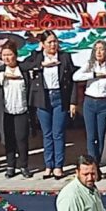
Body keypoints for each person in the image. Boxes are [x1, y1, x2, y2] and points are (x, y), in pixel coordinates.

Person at [21, 30, 78, 180]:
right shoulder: (37, 57)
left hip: (60, 97)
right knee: (47, 134)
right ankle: (48, 165)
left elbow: (72, 80)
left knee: (58, 133)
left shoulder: (64, 57)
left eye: (55, 41)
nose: (53, 45)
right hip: (43, 98)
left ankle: (58, 166)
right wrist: (41, 65)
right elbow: (23, 66)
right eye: (50, 42)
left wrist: (73, 101)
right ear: (43, 44)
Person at [73, 40, 106, 180]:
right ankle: (94, 168)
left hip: (104, 104)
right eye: (96, 49)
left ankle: (96, 164)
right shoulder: (89, 65)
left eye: (102, 49)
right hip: (90, 102)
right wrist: (93, 75)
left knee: (100, 136)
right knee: (91, 136)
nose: (99, 52)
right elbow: (75, 76)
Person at [0, 40, 32, 178]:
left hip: (21, 110)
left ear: (15, 55)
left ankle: (24, 166)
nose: (7, 58)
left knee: (22, 140)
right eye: (4, 55)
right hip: (6, 112)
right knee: (8, 139)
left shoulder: (23, 69)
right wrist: (3, 76)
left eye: (9, 54)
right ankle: (10, 166)